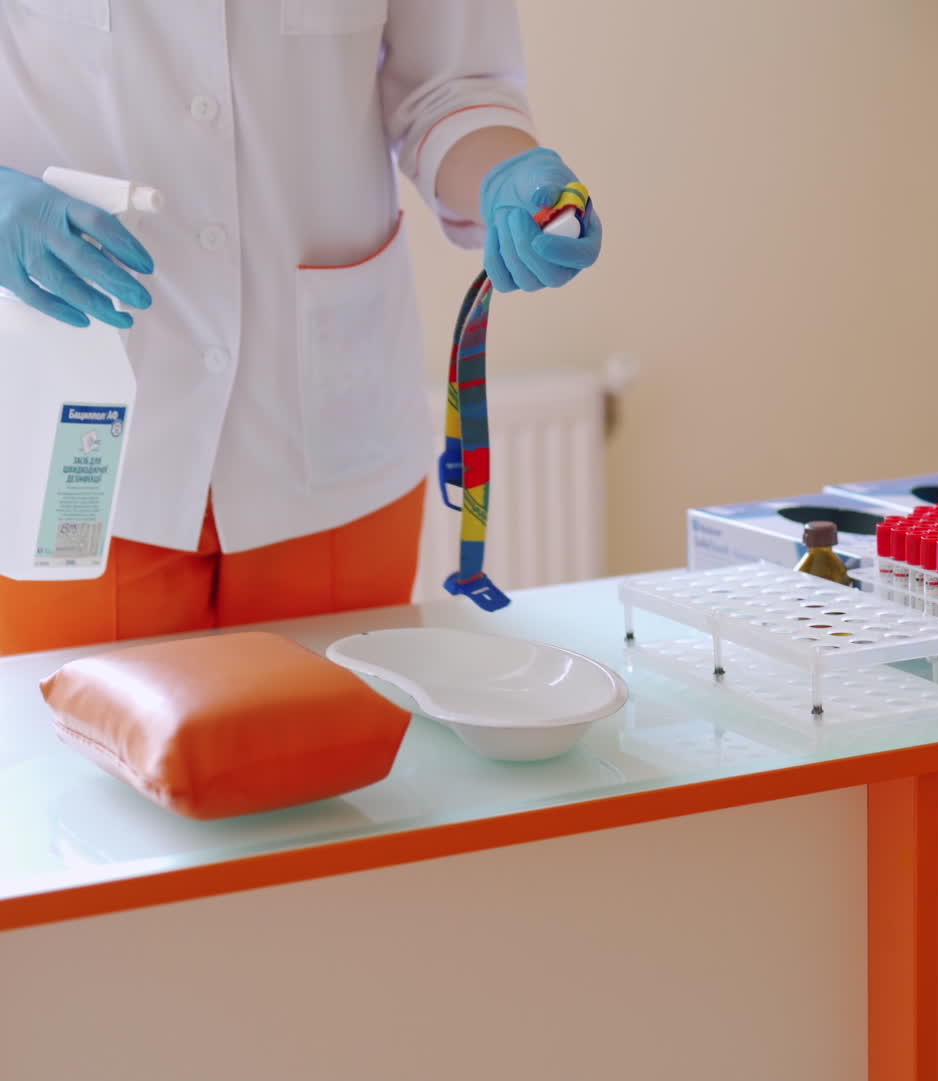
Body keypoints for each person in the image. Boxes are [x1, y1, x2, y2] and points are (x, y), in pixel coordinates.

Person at [0, 1, 601, 656]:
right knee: (72, 751)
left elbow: (450, 88)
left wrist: (505, 176)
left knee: (330, 746)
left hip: (327, 445)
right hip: (55, 429)